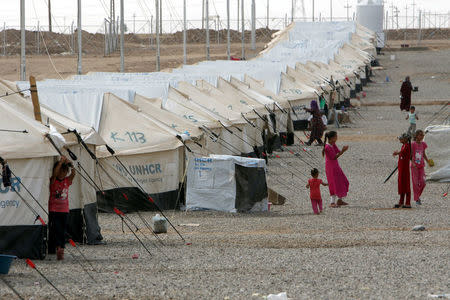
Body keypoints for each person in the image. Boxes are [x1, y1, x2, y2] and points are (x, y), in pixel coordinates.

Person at [48, 156, 75, 260]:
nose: (62, 173)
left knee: (62, 230)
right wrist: (60, 163)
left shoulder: (67, 181)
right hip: (54, 209)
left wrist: (71, 165)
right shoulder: (54, 181)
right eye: (61, 171)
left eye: (64, 171)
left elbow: (73, 174)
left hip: (64, 210)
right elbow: (55, 174)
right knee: (55, 229)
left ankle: (61, 248)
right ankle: (56, 247)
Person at [322, 131, 350, 207]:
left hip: (335, 166)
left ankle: (340, 200)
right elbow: (334, 157)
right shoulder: (327, 147)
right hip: (330, 167)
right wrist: (343, 151)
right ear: (331, 138)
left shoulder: (332, 144)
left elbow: (337, 151)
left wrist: (342, 150)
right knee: (333, 183)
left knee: (341, 181)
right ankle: (332, 202)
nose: (337, 138)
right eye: (336, 137)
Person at [411, 130, 430, 205]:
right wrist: (413, 163)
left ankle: (417, 195)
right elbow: (410, 155)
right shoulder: (413, 144)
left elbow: (423, 154)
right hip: (414, 167)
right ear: (416, 136)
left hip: (421, 166)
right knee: (415, 183)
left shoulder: (423, 144)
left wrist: (428, 161)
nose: (422, 137)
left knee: (423, 182)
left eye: (423, 135)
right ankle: (417, 199)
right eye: (420, 135)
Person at [393, 133, 411, 208]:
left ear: (406, 139)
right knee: (401, 184)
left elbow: (402, 152)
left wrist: (397, 153)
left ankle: (407, 202)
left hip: (405, 169)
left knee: (406, 184)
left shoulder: (407, 146)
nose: (400, 139)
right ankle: (401, 201)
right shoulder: (403, 146)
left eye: (401, 138)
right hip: (401, 168)